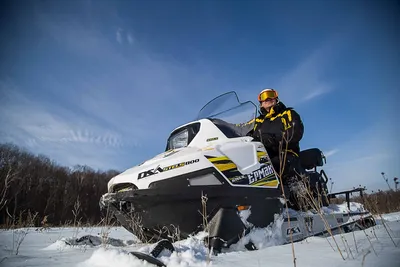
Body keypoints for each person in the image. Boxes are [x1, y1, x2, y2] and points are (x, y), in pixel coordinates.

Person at [249, 88, 305, 187]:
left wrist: (273, 139)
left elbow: (295, 132)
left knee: (267, 168)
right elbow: (241, 129)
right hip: (262, 155)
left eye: (270, 95)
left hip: (286, 153)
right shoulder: (257, 121)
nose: (267, 98)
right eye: (263, 97)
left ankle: (288, 194)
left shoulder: (287, 114)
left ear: (276, 98)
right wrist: (219, 124)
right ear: (260, 103)